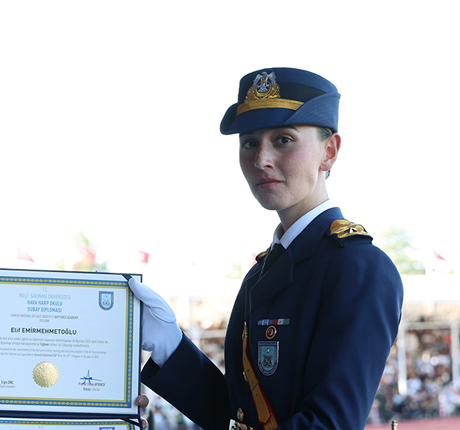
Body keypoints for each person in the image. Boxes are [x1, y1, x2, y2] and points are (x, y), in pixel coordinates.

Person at [130, 67, 403, 430]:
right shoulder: (260, 273)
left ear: (329, 151)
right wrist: (170, 344)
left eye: (284, 140)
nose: (261, 159)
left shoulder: (359, 267)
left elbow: (327, 424)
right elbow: (235, 415)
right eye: (249, 143)